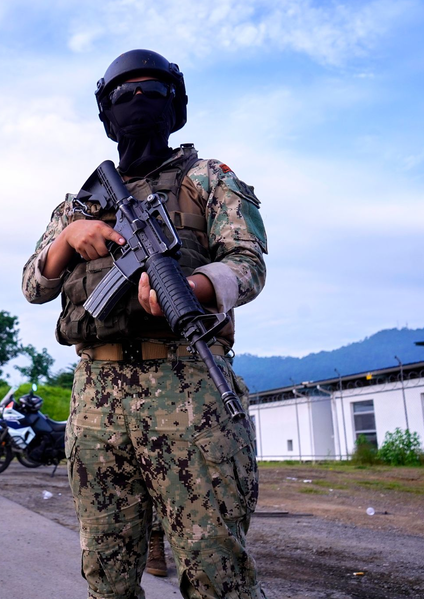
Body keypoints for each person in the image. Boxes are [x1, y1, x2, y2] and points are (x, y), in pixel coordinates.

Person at [22, 49, 268, 599]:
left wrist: (196, 288)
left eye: (152, 92)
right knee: (106, 575)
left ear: (175, 107)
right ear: (107, 114)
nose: (138, 102)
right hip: (96, 398)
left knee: (216, 571)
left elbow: (248, 264)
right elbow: (34, 287)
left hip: (188, 384)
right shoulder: (78, 204)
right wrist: (68, 240)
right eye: (124, 94)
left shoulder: (208, 178)